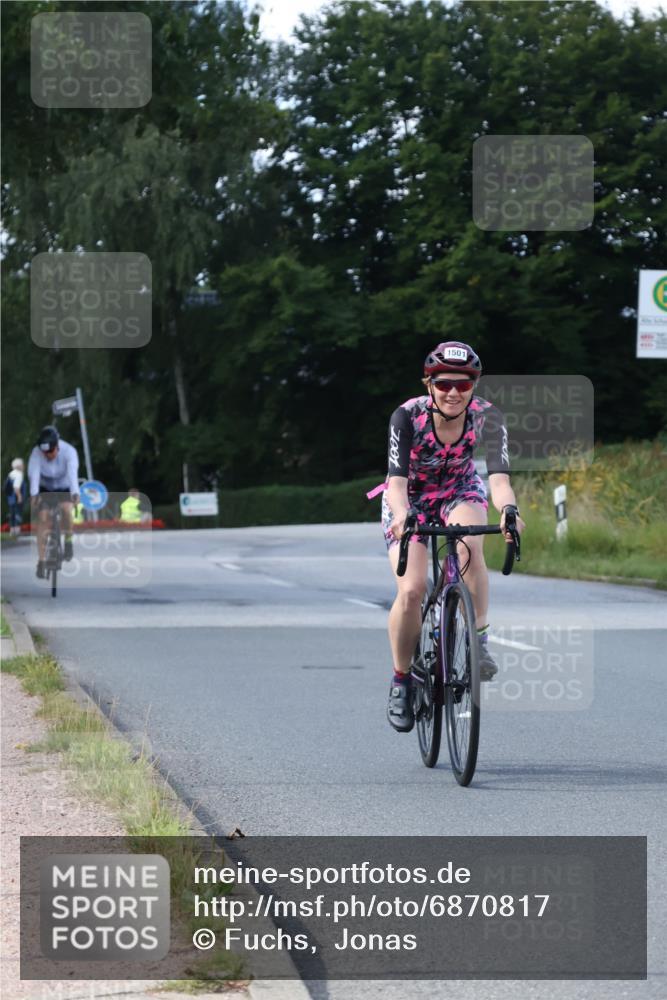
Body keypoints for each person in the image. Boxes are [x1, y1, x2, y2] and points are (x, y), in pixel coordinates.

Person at [379, 342, 525, 732]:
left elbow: (498, 480)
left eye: (464, 385)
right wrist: (402, 514)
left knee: (470, 546)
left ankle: (479, 641)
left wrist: (509, 511)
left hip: (460, 490)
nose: (453, 393)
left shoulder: (489, 417)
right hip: (409, 498)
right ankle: (401, 680)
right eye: (444, 384)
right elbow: (395, 483)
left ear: (474, 386)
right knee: (411, 591)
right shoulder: (406, 417)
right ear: (429, 383)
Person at [27, 426, 80, 578]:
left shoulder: (69, 451)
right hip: (45, 487)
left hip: (64, 486)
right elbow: (34, 474)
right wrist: (34, 495)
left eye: (51, 452)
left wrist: (75, 493)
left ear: (57, 446)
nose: (48, 455)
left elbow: (72, 473)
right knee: (43, 518)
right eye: (45, 453)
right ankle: (41, 561)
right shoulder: (36, 453)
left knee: (66, 509)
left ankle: (68, 540)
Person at [5, 458, 26, 538]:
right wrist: (20, 496)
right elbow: (16, 487)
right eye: (22, 465)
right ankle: (17, 532)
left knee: (12, 515)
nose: (23, 466)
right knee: (17, 514)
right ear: (19, 466)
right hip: (16, 498)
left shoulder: (11, 474)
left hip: (10, 499)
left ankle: (12, 531)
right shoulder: (19, 474)